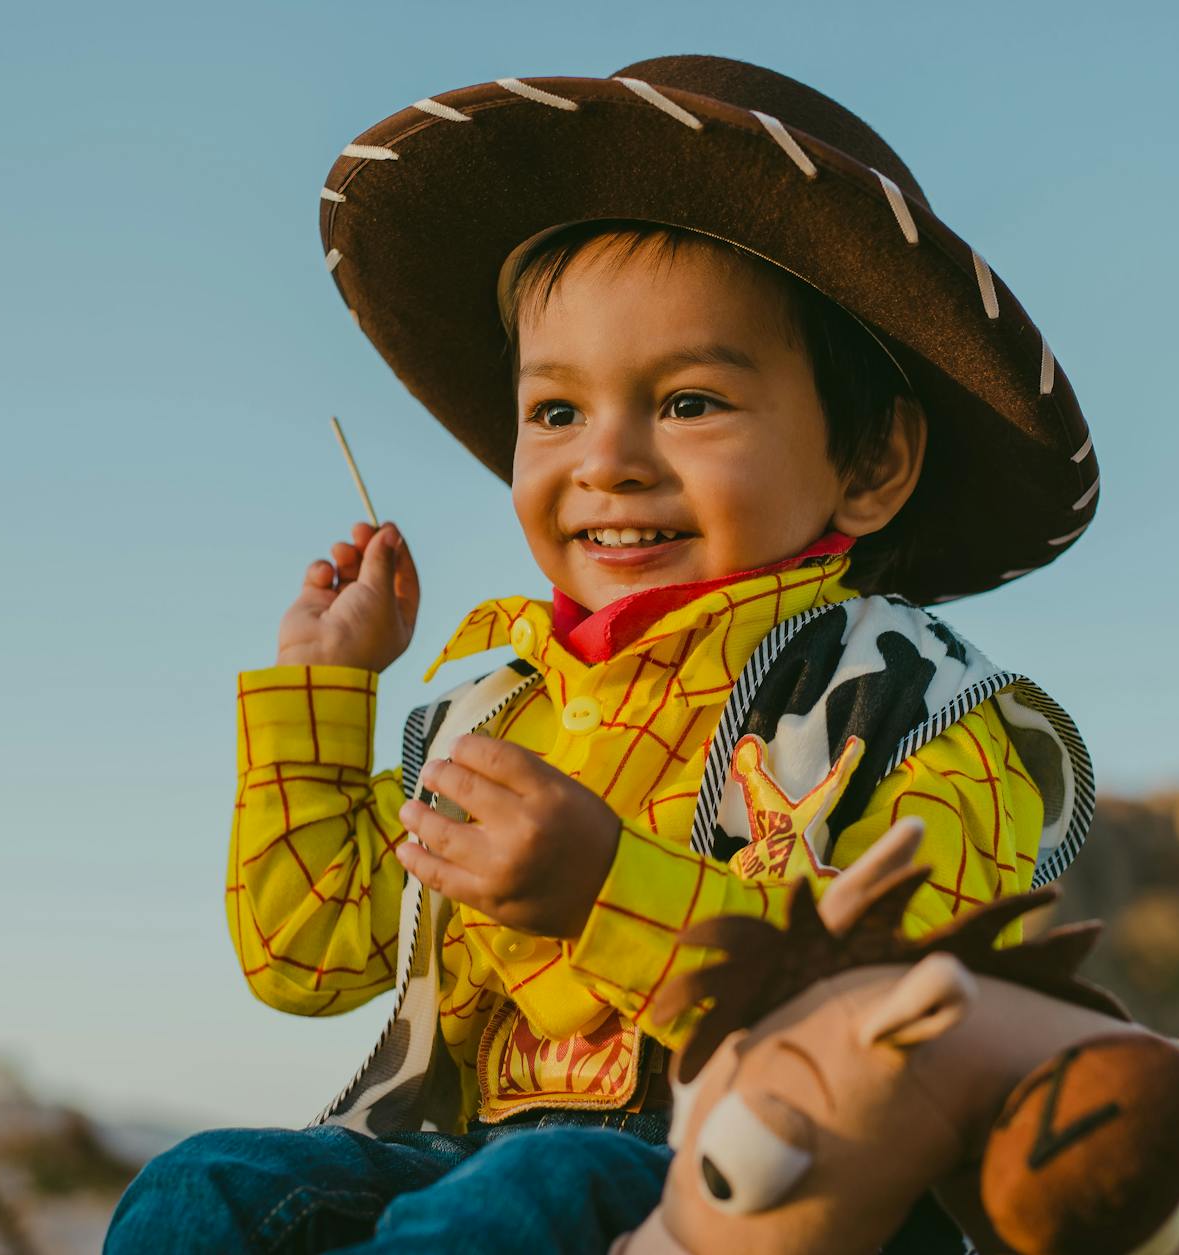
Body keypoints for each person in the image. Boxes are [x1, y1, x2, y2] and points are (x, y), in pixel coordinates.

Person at [107, 53, 1103, 1255]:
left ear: (871, 462)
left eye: (687, 402)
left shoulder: (917, 707)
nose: (606, 461)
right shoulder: (489, 717)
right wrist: (324, 691)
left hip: (778, 1178)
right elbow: (307, 954)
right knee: (203, 1187)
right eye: (555, 411)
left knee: (523, 1195)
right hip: (477, 1153)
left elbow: (918, 1018)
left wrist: (604, 892)